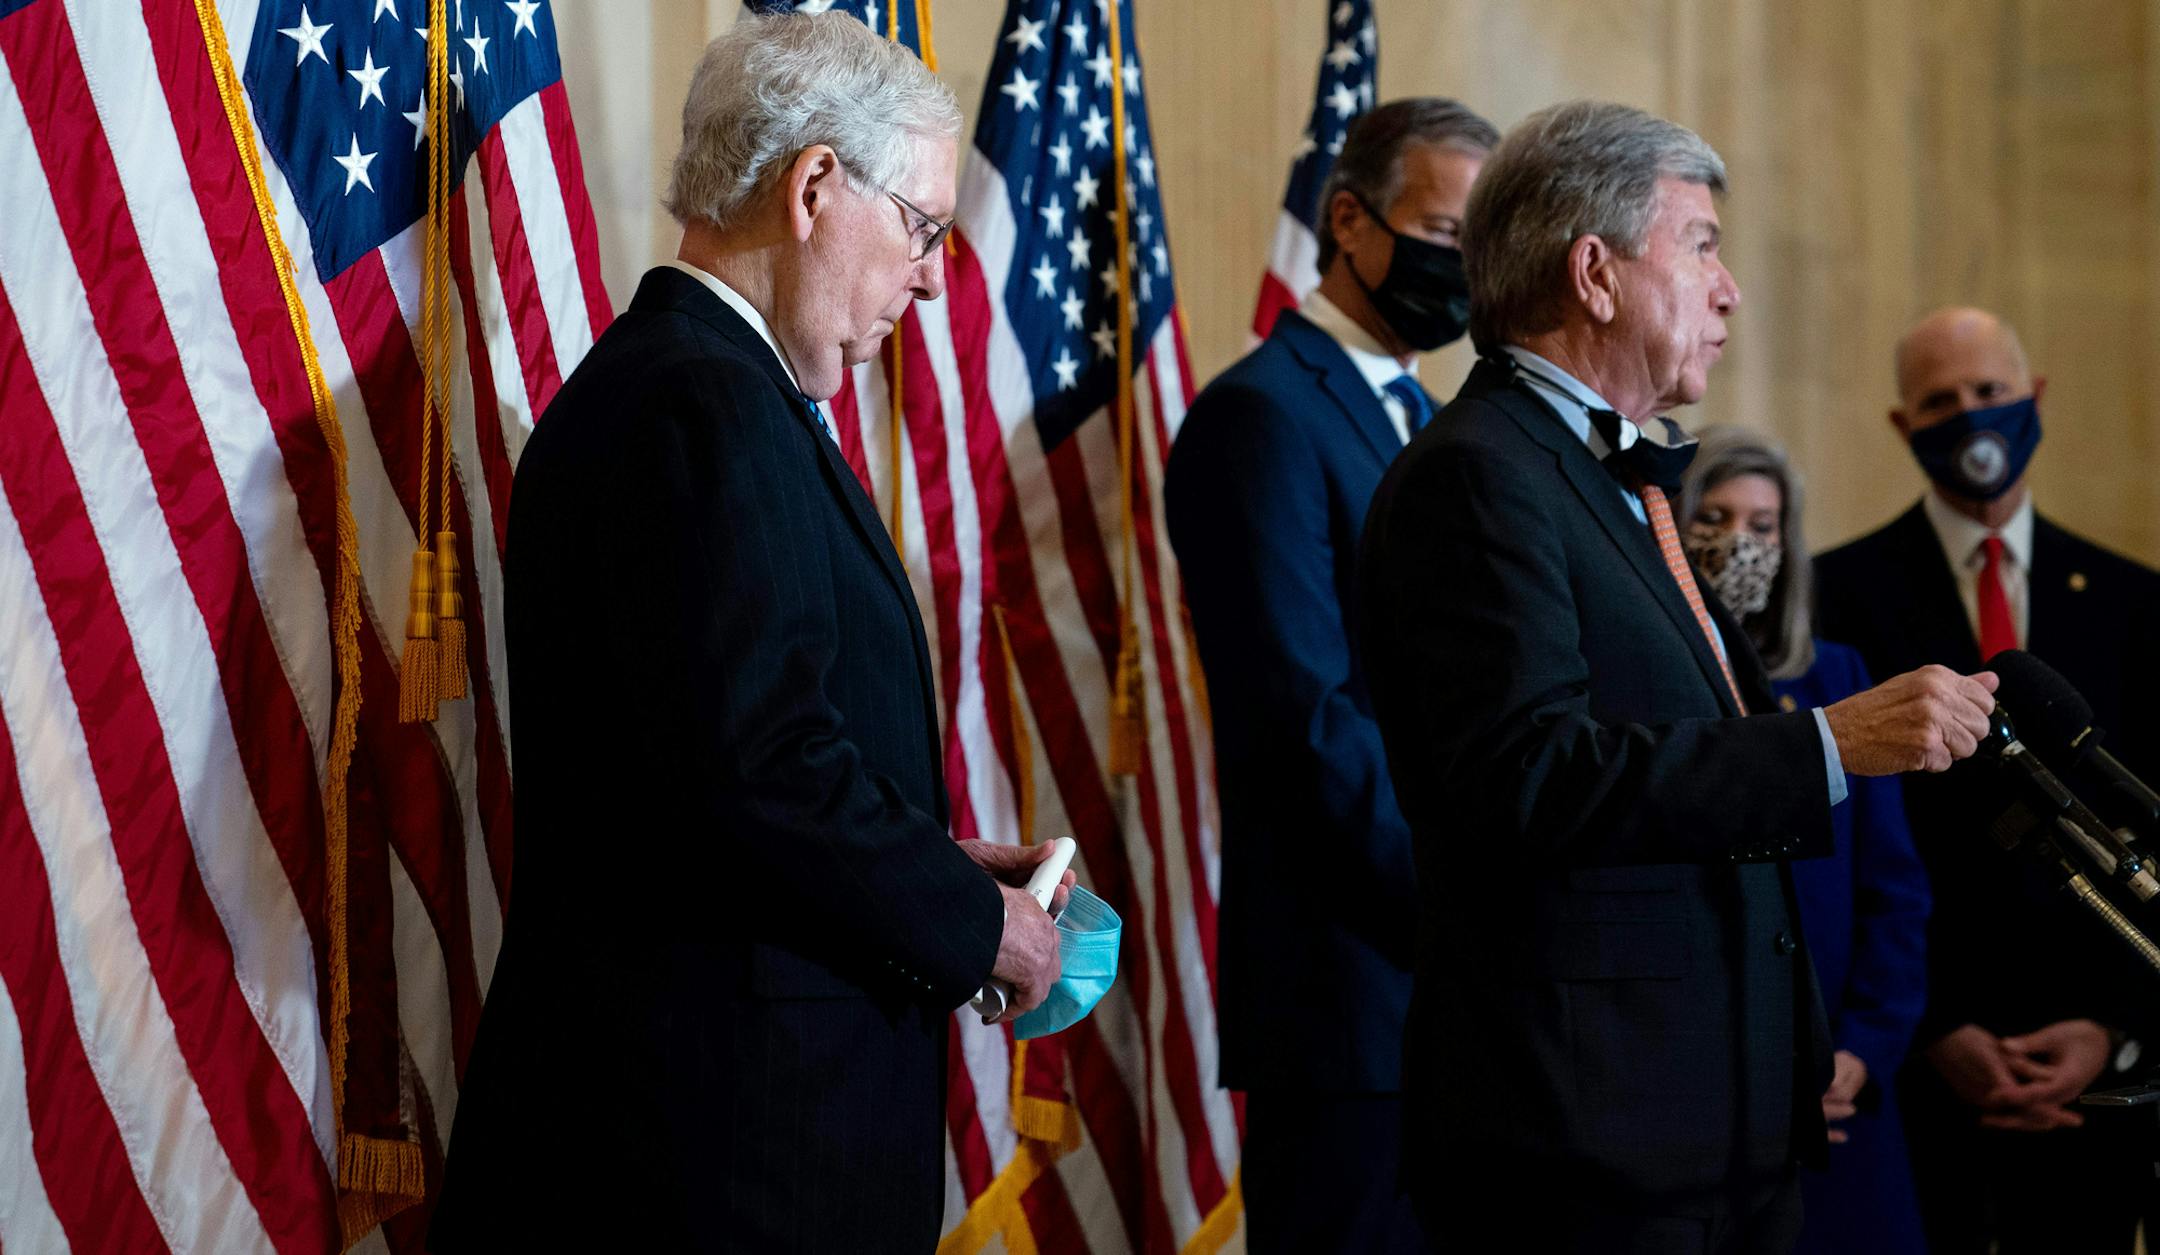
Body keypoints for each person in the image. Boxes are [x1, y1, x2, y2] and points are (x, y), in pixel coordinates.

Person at [430, 15, 1069, 1251]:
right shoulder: (697, 403)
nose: (935, 278)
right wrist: (975, 921)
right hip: (713, 1161)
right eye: (922, 229)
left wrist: (937, 861)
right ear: (816, 185)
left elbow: (727, 755)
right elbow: (761, 766)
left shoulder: (713, 392)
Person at [1356, 100, 2000, 1253]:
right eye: (1699, 243)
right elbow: (1528, 773)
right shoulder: (1477, 476)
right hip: (1584, 1145)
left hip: (1718, 1132)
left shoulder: (1621, 482)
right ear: (1594, 273)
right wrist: (1827, 745)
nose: (1731, 287)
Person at [1165, 97, 1497, 1254]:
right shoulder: (1259, 417)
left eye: (1483, 245)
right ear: (1349, 222)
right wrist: (1475, 906)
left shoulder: (1443, 420)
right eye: (1447, 234)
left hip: (1474, 1003)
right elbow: (1302, 722)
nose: (1467, 271)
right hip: (1356, 998)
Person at [1813, 306, 2160, 1254]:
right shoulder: (1833, 597)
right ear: (1902, 425)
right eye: (1939, 401)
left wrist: (2111, 1024)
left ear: (2035, 397)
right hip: (1919, 1071)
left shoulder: (2137, 602)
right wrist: (1927, 1028)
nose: (1969, 418)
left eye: (1989, 393)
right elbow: (1843, 846)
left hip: (2097, 1072)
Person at [1677, 425, 1931, 1254]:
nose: (1740, 544)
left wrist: (1862, 1050)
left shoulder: (1839, 677)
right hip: (1704, 1101)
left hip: (1839, 1095)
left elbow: (1893, 891)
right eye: (1713, 517)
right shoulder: (1648, 683)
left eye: (1762, 525)